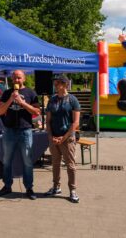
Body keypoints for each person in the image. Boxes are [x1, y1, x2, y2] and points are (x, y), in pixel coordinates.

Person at [0, 70, 41, 200]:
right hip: (9, 131)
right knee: (6, 161)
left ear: (24, 79)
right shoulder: (6, 93)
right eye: (14, 78)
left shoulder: (31, 93)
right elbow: (0, 111)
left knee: (27, 161)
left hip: (25, 131)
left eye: (19, 78)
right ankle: (7, 186)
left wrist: (22, 103)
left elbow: (37, 112)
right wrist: (11, 99)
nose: (16, 80)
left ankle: (29, 188)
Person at [45, 75, 81, 203]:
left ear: (65, 84)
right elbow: (48, 120)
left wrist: (63, 138)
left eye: (58, 83)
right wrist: (51, 137)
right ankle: (56, 187)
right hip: (54, 139)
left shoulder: (72, 100)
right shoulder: (52, 100)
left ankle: (72, 190)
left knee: (70, 165)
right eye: (55, 83)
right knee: (55, 164)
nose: (56, 85)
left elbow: (75, 123)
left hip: (68, 139)